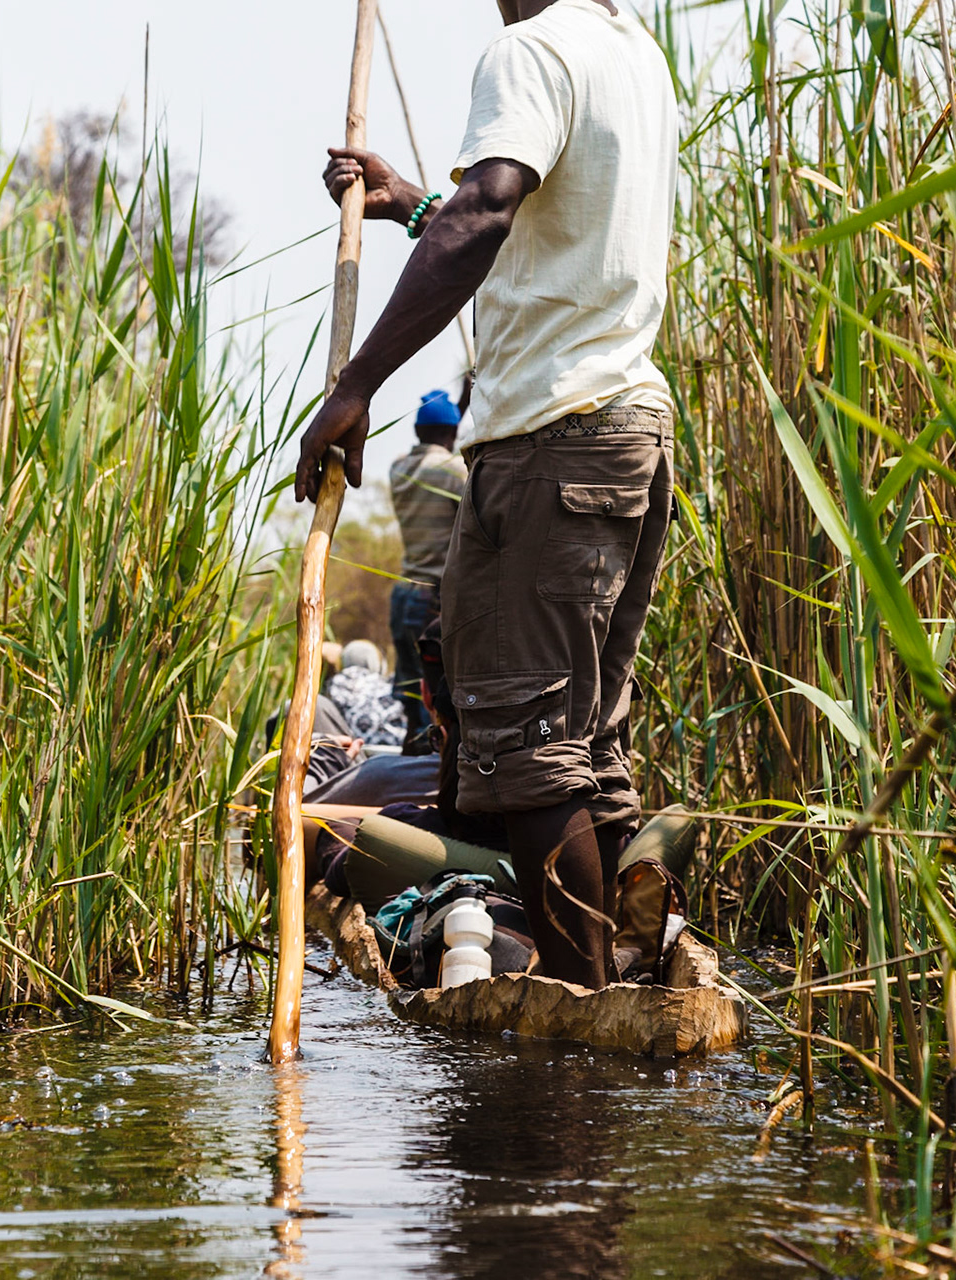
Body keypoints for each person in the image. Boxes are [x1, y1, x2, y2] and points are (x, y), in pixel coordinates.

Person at [294, 0, 677, 989]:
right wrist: (414, 203)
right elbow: (543, 243)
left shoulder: (529, 51)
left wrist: (356, 383)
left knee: (529, 753)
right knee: (585, 748)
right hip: (629, 431)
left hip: (553, 447)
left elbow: (491, 210)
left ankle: (578, 1017)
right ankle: (631, 977)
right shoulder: (630, 54)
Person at [389, 389, 467, 750]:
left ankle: (409, 755)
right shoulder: (455, 471)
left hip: (403, 593)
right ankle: (425, 766)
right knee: (433, 689)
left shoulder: (399, 469)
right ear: (452, 431)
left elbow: (438, 446)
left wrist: (460, 405)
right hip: (433, 596)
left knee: (409, 687)